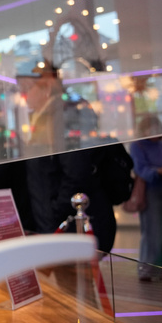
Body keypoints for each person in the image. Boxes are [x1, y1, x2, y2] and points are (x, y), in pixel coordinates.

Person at [20, 63, 117, 253]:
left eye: (28, 88)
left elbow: (76, 170)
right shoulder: (47, 116)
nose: (24, 95)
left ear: (46, 87)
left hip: (69, 223)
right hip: (55, 222)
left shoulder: (63, 114)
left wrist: (55, 211)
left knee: (76, 279)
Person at [129, 115, 162, 279]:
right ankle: (148, 270)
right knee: (153, 233)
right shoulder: (137, 146)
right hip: (151, 193)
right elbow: (140, 169)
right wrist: (159, 171)